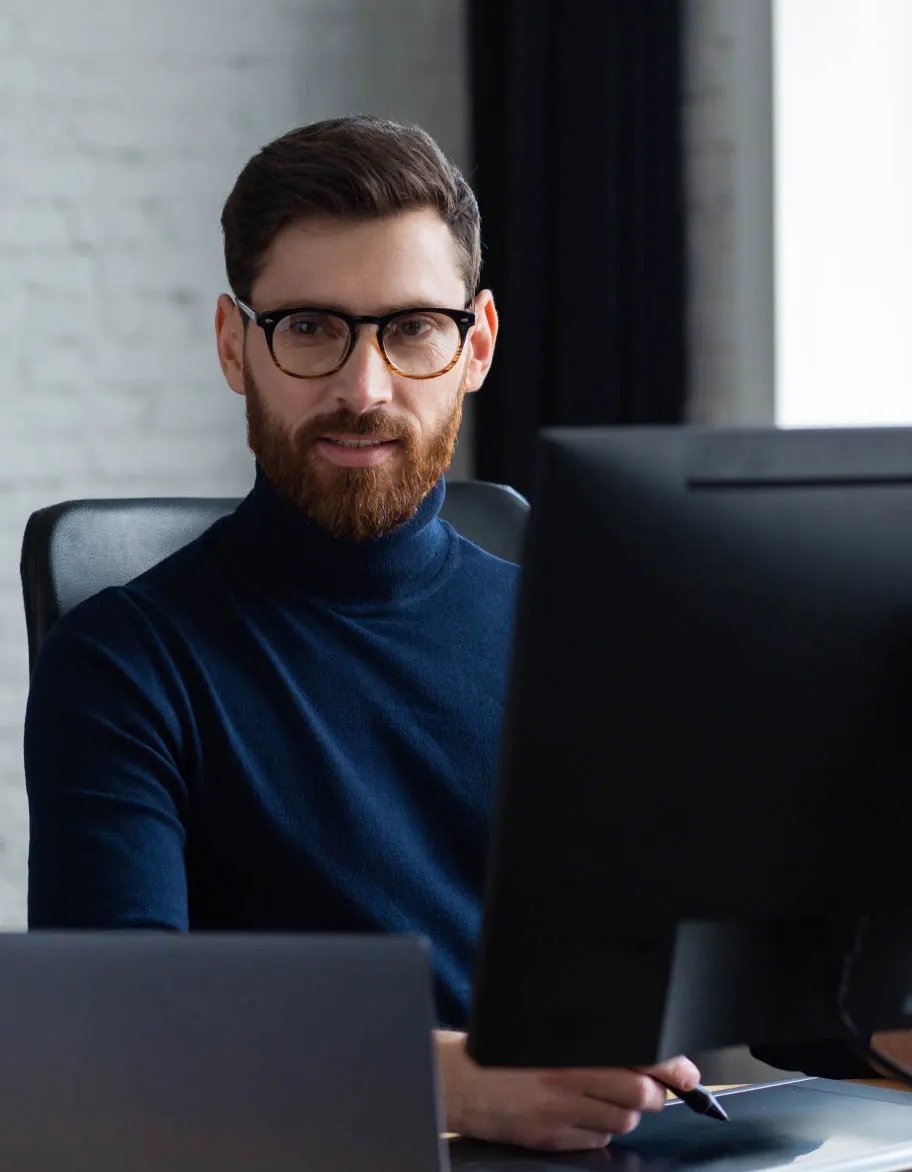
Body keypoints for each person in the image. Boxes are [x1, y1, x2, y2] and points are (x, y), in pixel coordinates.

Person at [26, 114, 701, 1149]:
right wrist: (452, 1080)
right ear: (232, 343)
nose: (363, 389)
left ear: (474, 345)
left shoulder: (575, 637)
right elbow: (109, 1042)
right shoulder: (122, 663)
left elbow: (726, 953)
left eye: (412, 329)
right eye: (309, 328)